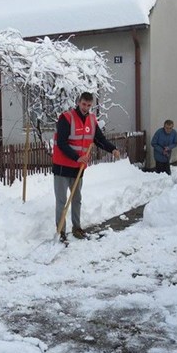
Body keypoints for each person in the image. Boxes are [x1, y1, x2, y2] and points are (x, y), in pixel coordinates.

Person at [53, 92, 120, 242]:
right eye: (84, 104)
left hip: (78, 167)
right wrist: (77, 157)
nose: (86, 108)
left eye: (89, 105)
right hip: (62, 167)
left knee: (77, 199)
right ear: (79, 102)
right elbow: (62, 143)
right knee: (62, 201)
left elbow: (99, 139)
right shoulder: (66, 118)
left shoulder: (91, 120)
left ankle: (77, 228)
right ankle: (60, 231)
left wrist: (113, 149)